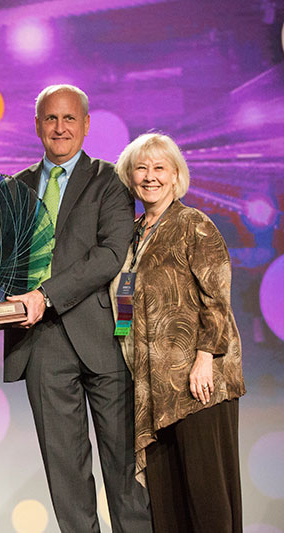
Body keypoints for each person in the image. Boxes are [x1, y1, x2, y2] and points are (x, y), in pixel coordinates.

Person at [0, 84, 152, 532]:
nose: (60, 128)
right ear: (37, 125)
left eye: (69, 119)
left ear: (85, 125)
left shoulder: (110, 181)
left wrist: (45, 295)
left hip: (105, 340)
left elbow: (108, 254)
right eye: (51, 118)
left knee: (125, 470)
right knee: (66, 476)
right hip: (42, 344)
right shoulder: (14, 188)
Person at [112, 132, 245, 532]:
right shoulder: (132, 234)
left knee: (207, 497)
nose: (150, 177)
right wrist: (122, 343)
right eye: (141, 168)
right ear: (130, 176)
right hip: (152, 388)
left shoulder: (193, 224)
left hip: (197, 384)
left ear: (175, 176)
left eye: (159, 168)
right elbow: (125, 300)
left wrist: (204, 358)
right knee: (167, 501)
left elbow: (217, 298)